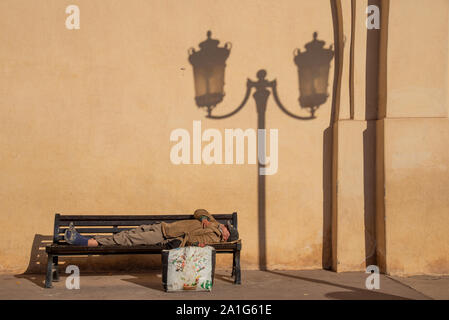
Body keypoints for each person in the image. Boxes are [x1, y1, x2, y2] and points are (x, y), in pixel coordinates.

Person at [64, 209, 239, 248]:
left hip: (164, 237)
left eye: (227, 228)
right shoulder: (213, 223)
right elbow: (199, 211)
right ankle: (87, 238)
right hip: (162, 227)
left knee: (126, 240)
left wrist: (200, 239)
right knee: (128, 233)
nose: (225, 225)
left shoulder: (214, 238)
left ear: (226, 236)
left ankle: (84, 242)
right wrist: (203, 218)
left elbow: (192, 240)